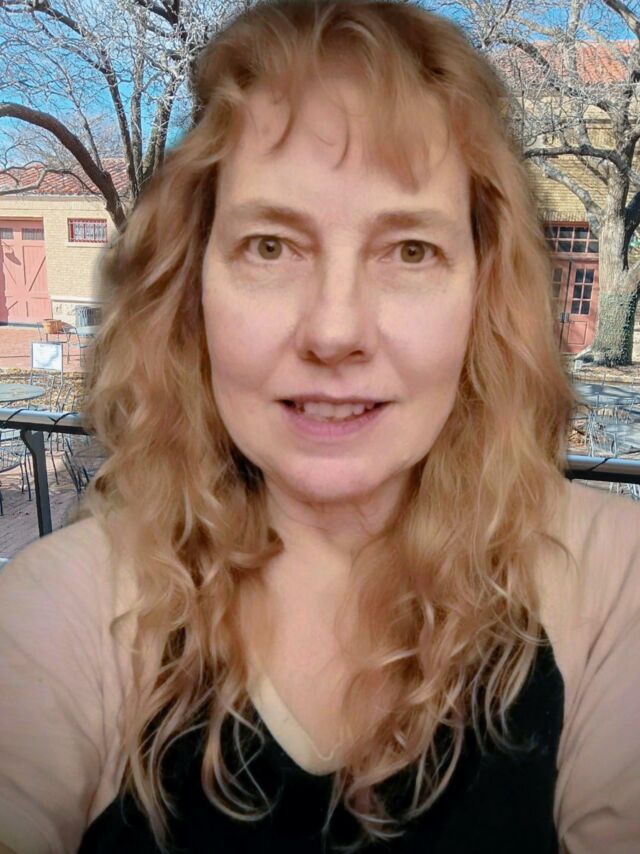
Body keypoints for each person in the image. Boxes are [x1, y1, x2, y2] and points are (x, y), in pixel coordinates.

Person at [1, 0, 639, 851]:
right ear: (192, 289)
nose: (335, 331)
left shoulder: (613, 583)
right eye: (271, 246)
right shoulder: (63, 607)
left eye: (410, 250)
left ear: (484, 296)